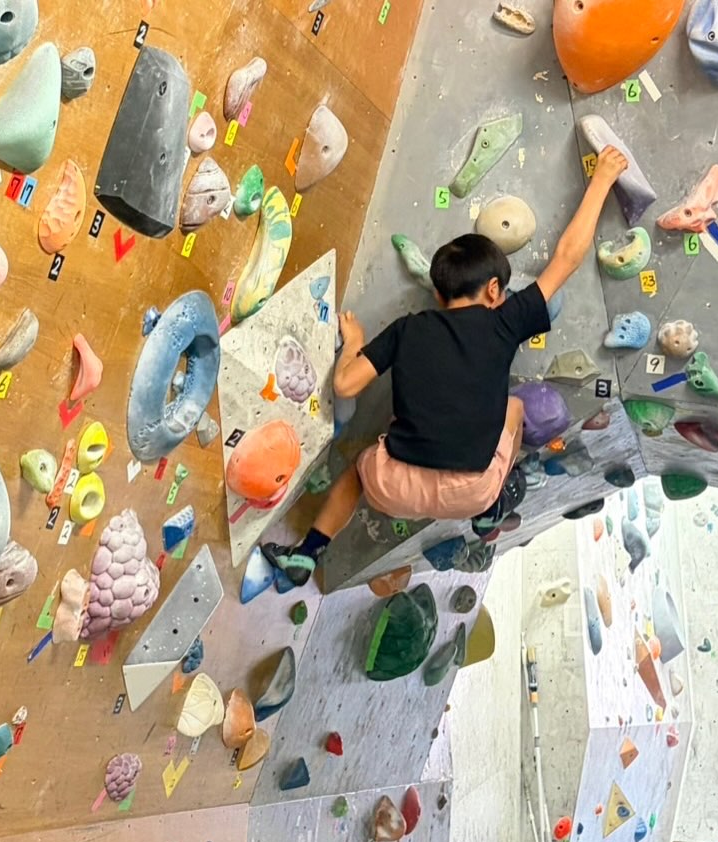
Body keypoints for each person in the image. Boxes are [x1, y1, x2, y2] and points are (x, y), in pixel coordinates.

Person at [262, 145, 629, 587]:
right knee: (515, 409)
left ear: (438, 295)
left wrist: (354, 342)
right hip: (471, 493)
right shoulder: (504, 322)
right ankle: (490, 510)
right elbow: (567, 257)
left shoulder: (407, 329)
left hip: (392, 487)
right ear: (493, 290)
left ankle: (308, 553)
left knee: (358, 471)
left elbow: (345, 385)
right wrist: (601, 179)